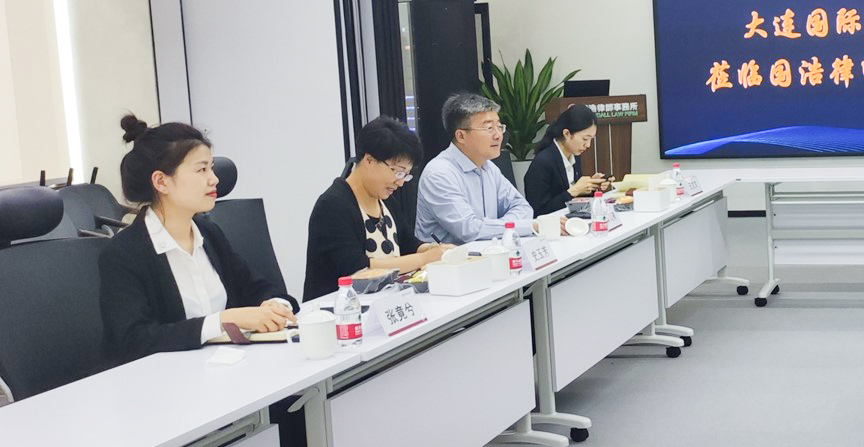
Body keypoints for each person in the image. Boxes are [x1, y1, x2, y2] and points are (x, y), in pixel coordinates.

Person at [99, 114, 298, 366]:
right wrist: (222, 321)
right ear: (161, 181)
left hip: (227, 369)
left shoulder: (209, 233)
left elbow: (257, 287)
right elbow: (133, 341)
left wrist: (275, 305)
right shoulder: (123, 253)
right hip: (166, 381)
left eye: (211, 168)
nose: (214, 179)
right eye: (202, 169)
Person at [304, 116, 453, 301]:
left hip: (384, 302)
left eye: (406, 175)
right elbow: (358, 269)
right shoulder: (333, 206)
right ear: (369, 160)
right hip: (340, 308)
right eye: (397, 172)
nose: (400, 182)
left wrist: (434, 249)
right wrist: (425, 258)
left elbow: (408, 244)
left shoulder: (385, 199)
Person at [416, 93, 566, 244]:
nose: (498, 135)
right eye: (489, 128)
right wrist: (525, 226)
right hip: (452, 257)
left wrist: (503, 227)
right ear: (461, 136)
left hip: (491, 251)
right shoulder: (439, 173)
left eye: (499, 127)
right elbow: (469, 230)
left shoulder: (488, 167)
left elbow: (522, 207)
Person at [524, 104, 614, 217]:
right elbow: (538, 211)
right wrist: (573, 191)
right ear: (566, 134)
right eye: (585, 139)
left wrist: (591, 187)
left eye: (591, 139)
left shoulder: (574, 155)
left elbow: (575, 201)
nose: (588, 145)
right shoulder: (542, 163)